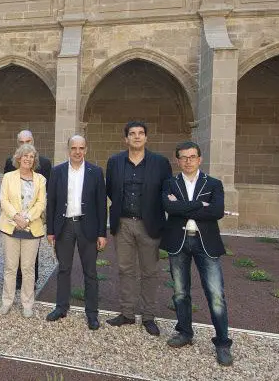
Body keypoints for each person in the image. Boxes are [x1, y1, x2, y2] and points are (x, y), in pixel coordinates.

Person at [162, 141, 233, 366]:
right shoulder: (169, 183)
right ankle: (184, 332)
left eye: (192, 157)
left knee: (215, 294)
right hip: (178, 242)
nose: (188, 161)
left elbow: (217, 211)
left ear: (200, 159)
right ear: (177, 160)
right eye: (183, 157)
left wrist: (183, 205)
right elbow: (168, 208)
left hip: (206, 243)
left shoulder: (214, 183)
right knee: (181, 292)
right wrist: (199, 204)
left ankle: (222, 342)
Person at [105, 121, 173, 336]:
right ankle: (127, 313)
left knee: (150, 271)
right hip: (123, 223)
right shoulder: (115, 162)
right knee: (125, 269)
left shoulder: (160, 162)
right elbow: (110, 190)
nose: (136, 137)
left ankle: (149, 316)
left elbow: (167, 191)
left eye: (141, 133)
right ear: (126, 139)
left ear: (146, 138)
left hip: (149, 224)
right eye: (132, 134)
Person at [45, 135, 107, 329]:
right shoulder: (57, 171)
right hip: (64, 226)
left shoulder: (96, 172)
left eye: (81, 148)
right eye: (74, 148)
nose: (77, 152)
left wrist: (102, 233)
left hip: (87, 226)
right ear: (68, 149)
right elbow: (52, 202)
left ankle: (92, 314)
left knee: (90, 272)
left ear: (86, 150)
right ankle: (61, 307)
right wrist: (50, 230)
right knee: (63, 269)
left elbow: (101, 204)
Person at [0, 143, 46, 317]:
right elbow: (3, 200)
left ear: (34, 160)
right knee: (10, 267)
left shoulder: (40, 179)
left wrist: (27, 219)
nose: (28, 159)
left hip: (31, 228)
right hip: (11, 225)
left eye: (31, 156)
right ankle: (7, 301)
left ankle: (27, 303)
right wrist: (17, 217)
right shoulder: (9, 177)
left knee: (27, 268)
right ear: (18, 158)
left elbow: (41, 203)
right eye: (25, 156)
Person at [3, 129, 51, 290]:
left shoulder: (44, 163)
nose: (25, 145)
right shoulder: (10, 163)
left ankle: (32, 279)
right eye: (21, 142)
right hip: (13, 217)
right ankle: (17, 280)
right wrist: (16, 216)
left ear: (33, 141)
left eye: (28, 142)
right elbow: (6, 194)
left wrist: (30, 217)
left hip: (34, 217)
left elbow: (44, 195)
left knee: (32, 253)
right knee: (13, 252)